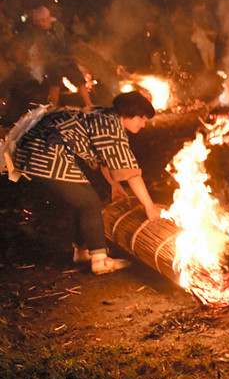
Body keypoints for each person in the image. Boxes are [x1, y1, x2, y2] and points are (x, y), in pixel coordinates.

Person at [1, 92, 160, 274]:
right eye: (141, 118)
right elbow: (131, 173)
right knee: (89, 202)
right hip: (44, 151)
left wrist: (114, 185)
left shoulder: (105, 116)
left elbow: (104, 160)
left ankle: (82, 251)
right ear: (128, 113)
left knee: (83, 197)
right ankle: (100, 261)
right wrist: (149, 207)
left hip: (43, 149)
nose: (143, 124)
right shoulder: (110, 127)